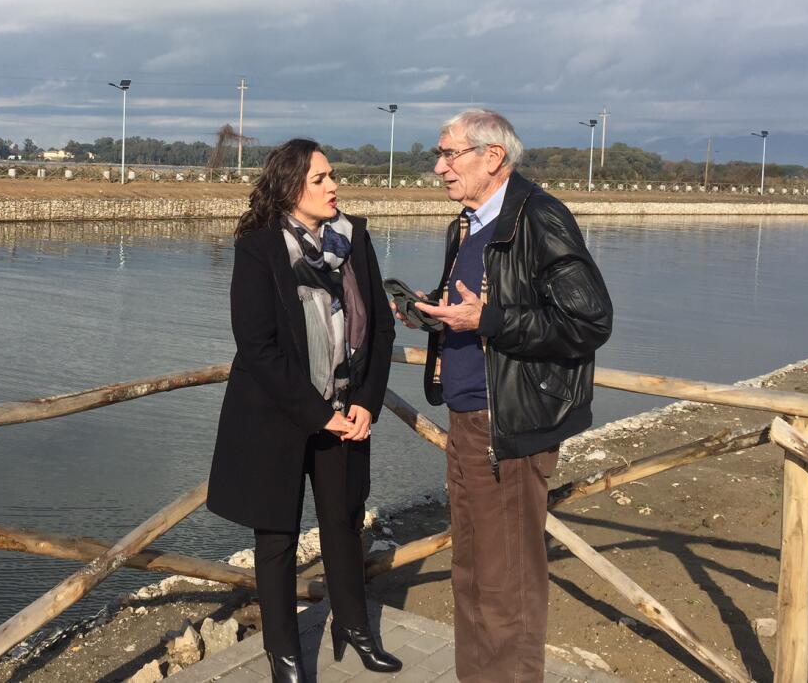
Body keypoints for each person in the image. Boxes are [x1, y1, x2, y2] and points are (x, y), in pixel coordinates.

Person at [400, 109, 612, 683]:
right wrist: (436, 313)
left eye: (450, 154)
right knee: (470, 571)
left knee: (507, 583)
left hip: (510, 425)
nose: (439, 167)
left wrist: (488, 319)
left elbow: (589, 320)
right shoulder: (468, 223)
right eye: (439, 155)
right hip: (467, 419)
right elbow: (484, 306)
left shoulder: (538, 217)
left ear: (492, 157)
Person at [208, 138, 402, 683]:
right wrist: (317, 414)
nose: (333, 186)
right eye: (320, 179)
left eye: (332, 175)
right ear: (292, 187)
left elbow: (380, 329)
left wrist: (365, 403)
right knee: (277, 539)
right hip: (279, 416)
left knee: (343, 524)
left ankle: (355, 629)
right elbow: (257, 346)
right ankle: (286, 655)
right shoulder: (259, 248)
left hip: (346, 410)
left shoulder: (354, 238)